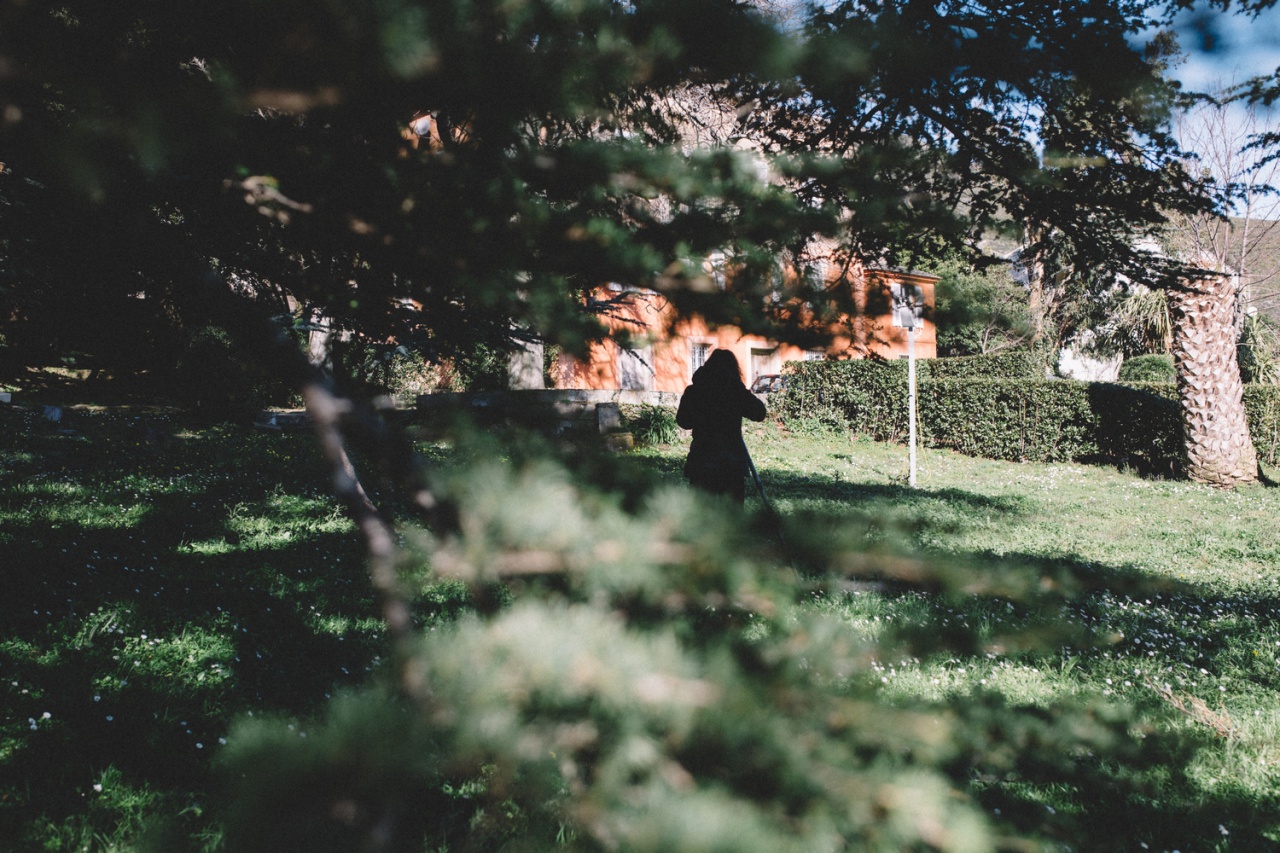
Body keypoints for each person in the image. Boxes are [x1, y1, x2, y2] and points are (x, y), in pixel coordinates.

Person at [676, 349, 767, 504]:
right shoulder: (734, 392)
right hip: (730, 461)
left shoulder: (695, 391)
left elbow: (683, 421)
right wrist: (738, 389)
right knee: (732, 517)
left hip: (702, 458)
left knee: (701, 513)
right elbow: (759, 412)